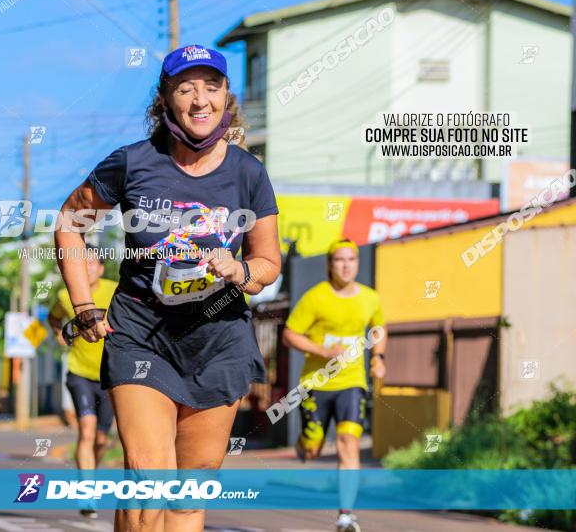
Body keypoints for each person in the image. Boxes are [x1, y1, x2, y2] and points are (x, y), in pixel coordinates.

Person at [54, 44, 281, 531]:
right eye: (186, 88)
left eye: (212, 86)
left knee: (187, 493)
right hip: (143, 334)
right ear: (165, 99)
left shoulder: (248, 173)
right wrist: (84, 304)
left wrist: (240, 272)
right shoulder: (134, 163)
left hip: (218, 342)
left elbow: (268, 263)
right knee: (148, 477)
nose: (200, 99)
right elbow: (70, 222)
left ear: (226, 97)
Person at [282, 239, 387, 532]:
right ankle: (306, 444)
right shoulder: (315, 298)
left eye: (351, 259)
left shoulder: (370, 298)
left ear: (357, 263)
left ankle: (346, 515)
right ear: (330, 264)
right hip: (315, 384)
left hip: (352, 382)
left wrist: (378, 358)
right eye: (339, 260)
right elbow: (289, 335)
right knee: (313, 449)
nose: (346, 265)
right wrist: (324, 352)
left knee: (348, 443)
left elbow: (379, 329)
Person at [48, 254, 117, 520]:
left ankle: (90, 479)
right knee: (87, 433)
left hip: (110, 376)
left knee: (101, 439)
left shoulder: (114, 290)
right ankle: (87, 492)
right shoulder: (66, 296)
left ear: (100, 268)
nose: (86, 268)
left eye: (91, 264)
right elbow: (54, 318)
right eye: (82, 263)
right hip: (79, 373)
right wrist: (58, 334)